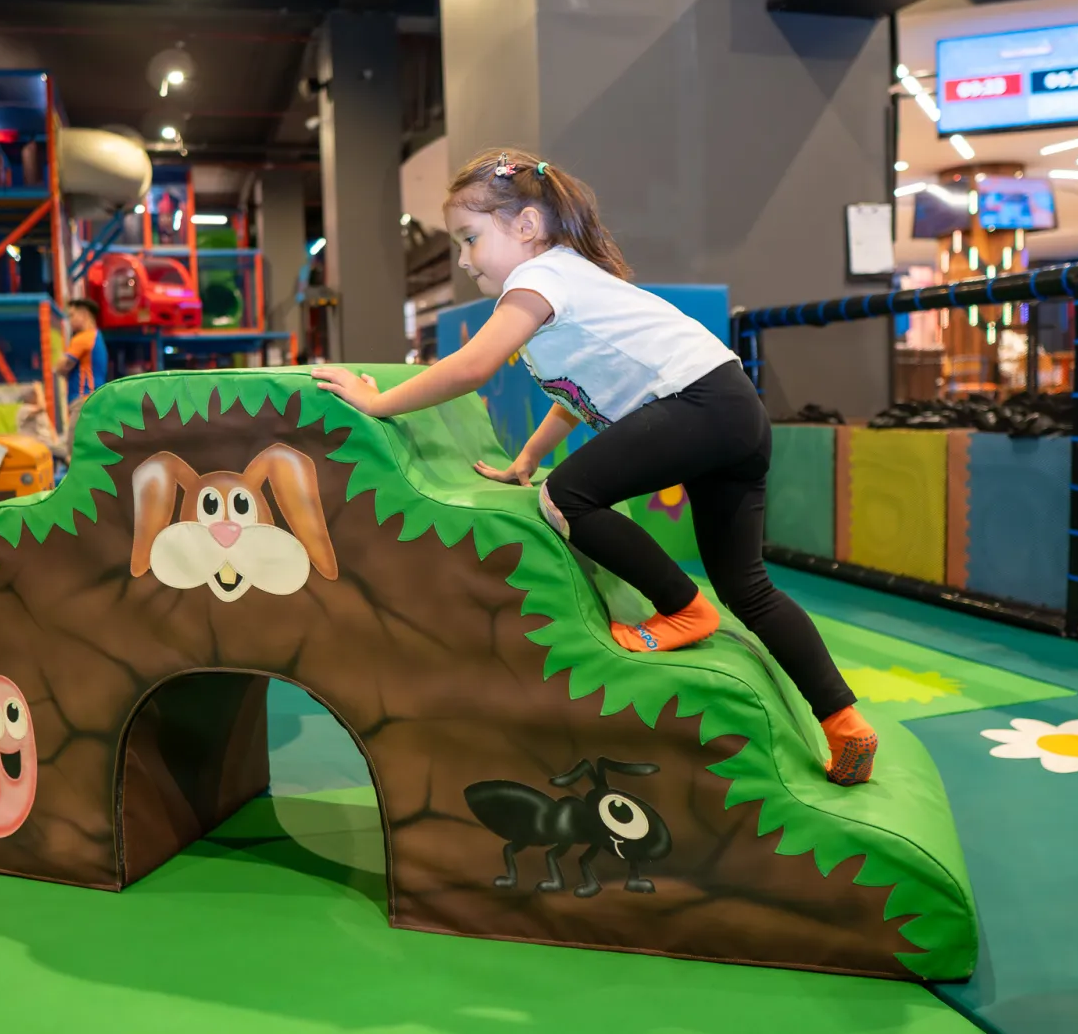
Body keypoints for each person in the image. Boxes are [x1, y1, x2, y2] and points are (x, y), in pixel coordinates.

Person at [313, 148, 877, 785]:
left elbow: (471, 367)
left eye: (470, 239)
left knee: (567, 497)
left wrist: (378, 401)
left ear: (526, 226)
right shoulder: (567, 283)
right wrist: (524, 460)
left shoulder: (541, 280)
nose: (465, 259)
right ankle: (845, 723)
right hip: (732, 409)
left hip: (700, 404)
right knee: (746, 584)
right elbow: (576, 399)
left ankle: (684, 607)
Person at [54, 297, 107, 448]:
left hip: (84, 401)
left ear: (83, 315)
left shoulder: (83, 338)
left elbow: (60, 365)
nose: (69, 321)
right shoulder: (97, 336)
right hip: (93, 399)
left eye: (72, 315)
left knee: (73, 449)